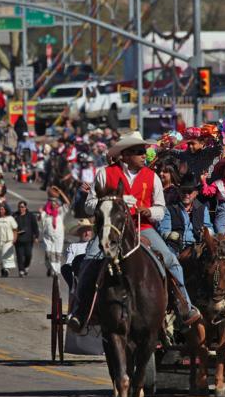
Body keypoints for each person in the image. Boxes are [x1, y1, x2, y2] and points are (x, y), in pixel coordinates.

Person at [68, 131, 201, 333]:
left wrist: (147, 211)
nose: (143, 155)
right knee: (89, 260)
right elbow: (89, 205)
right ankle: (80, 311)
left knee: (170, 259)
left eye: (144, 151)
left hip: (143, 228)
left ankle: (185, 307)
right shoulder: (105, 173)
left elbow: (160, 209)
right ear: (126, 154)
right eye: (139, 152)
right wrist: (109, 203)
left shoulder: (152, 177)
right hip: (109, 229)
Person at [160, 174, 213, 254]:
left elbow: (210, 228)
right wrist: (170, 235)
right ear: (179, 191)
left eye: (189, 191)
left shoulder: (203, 209)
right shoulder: (170, 209)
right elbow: (164, 230)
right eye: (183, 191)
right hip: (175, 248)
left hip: (197, 249)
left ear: (196, 193)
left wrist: (206, 232)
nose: (186, 195)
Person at [40, 191, 70, 277]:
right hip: (48, 237)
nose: (54, 205)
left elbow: (68, 203)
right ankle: (50, 268)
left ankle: (55, 271)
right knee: (48, 253)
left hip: (58, 237)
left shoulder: (60, 212)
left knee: (57, 253)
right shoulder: (46, 213)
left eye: (55, 203)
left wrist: (61, 192)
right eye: (52, 203)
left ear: (58, 205)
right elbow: (41, 218)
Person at [60, 219, 94, 288]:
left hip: (93, 272)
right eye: (84, 231)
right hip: (79, 274)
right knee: (65, 268)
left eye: (88, 230)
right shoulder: (74, 246)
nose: (87, 233)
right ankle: (74, 287)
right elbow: (69, 262)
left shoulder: (96, 244)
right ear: (79, 233)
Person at [13, 200, 39, 277]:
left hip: (28, 239)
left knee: (28, 255)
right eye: (19, 207)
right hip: (18, 240)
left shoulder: (30, 216)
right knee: (19, 256)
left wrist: (36, 236)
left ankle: (26, 267)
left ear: (25, 207)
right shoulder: (15, 216)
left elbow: (35, 227)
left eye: (22, 207)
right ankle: (21, 270)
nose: (21, 209)